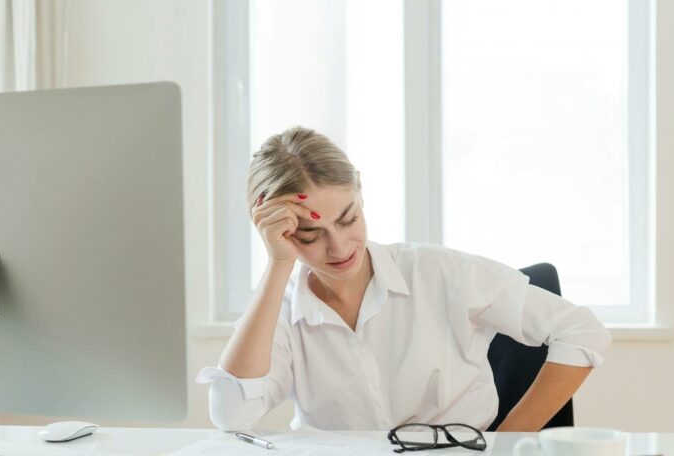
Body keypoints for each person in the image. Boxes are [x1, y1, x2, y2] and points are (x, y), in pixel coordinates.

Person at [198, 126, 611, 432]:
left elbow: (582, 331)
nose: (339, 247)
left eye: (348, 219)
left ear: (360, 191)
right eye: (309, 235)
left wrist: (507, 442)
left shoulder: (439, 272)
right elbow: (232, 416)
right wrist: (278, 265)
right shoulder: (284, 309)